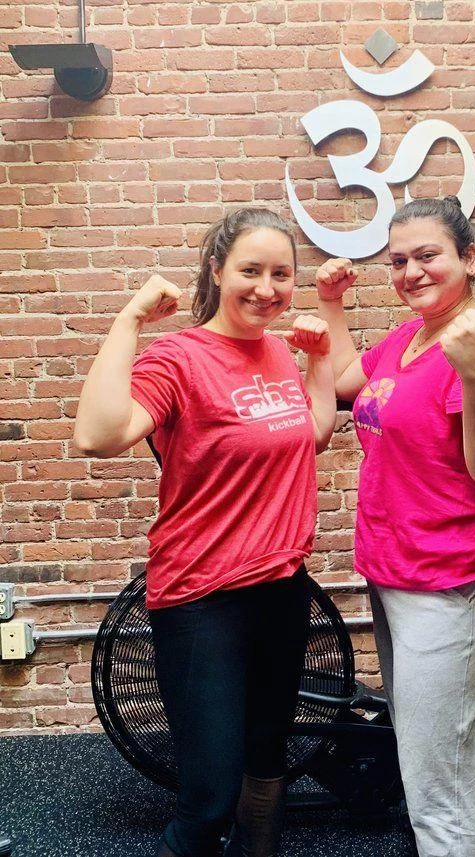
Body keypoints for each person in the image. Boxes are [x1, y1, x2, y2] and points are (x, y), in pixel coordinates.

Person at [74, 208, 336, 857]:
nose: (266, 287)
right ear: (217, 270)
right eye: (250, 270)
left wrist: (320, 359)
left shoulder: (278, 350)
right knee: (211, 793)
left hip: (282, 588)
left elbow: (314, 431)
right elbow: (97, 435)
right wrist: (129, 321)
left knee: (268, 762)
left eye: (281, 273)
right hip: (201, 599)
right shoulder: (178, 357)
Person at [315, 196, 475, 857]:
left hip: (454, 582)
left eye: (428, 255)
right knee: (424, 759)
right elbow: (348, 381)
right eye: (398, 260)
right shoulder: (409, 337)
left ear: (468, 257)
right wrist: (331, 304)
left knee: (444, 794)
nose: (411, 271)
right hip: (399, 572)